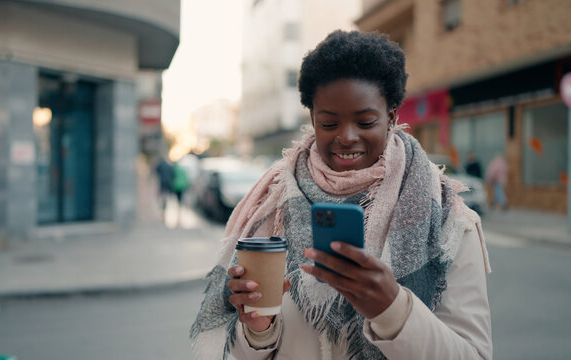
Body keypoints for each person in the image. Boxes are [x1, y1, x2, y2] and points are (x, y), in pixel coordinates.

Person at [190, 30, 492, 360]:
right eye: (329, 123)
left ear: (391, 116)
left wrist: (392, 308)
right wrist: (258, 328)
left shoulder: (449, 219)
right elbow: (244, 353)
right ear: (313, 119)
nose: (347, 137)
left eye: (365, 121)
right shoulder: (272, 205)